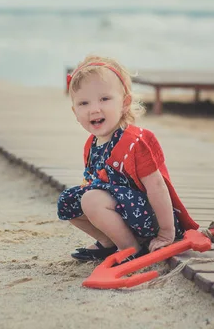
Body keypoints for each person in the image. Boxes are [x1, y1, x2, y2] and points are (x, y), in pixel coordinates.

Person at [58, 55, 199, 262]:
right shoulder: (91, 144)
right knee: (68, 201)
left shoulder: (133, 142)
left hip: (149, 216)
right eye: (83, 103)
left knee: (91, 200)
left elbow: (157, 187)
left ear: (125, 103)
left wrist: (166, 232)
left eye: (104, 99)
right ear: (75, 112)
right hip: (120, 210)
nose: (94, 109)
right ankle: (108, 242)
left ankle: (130, 248)